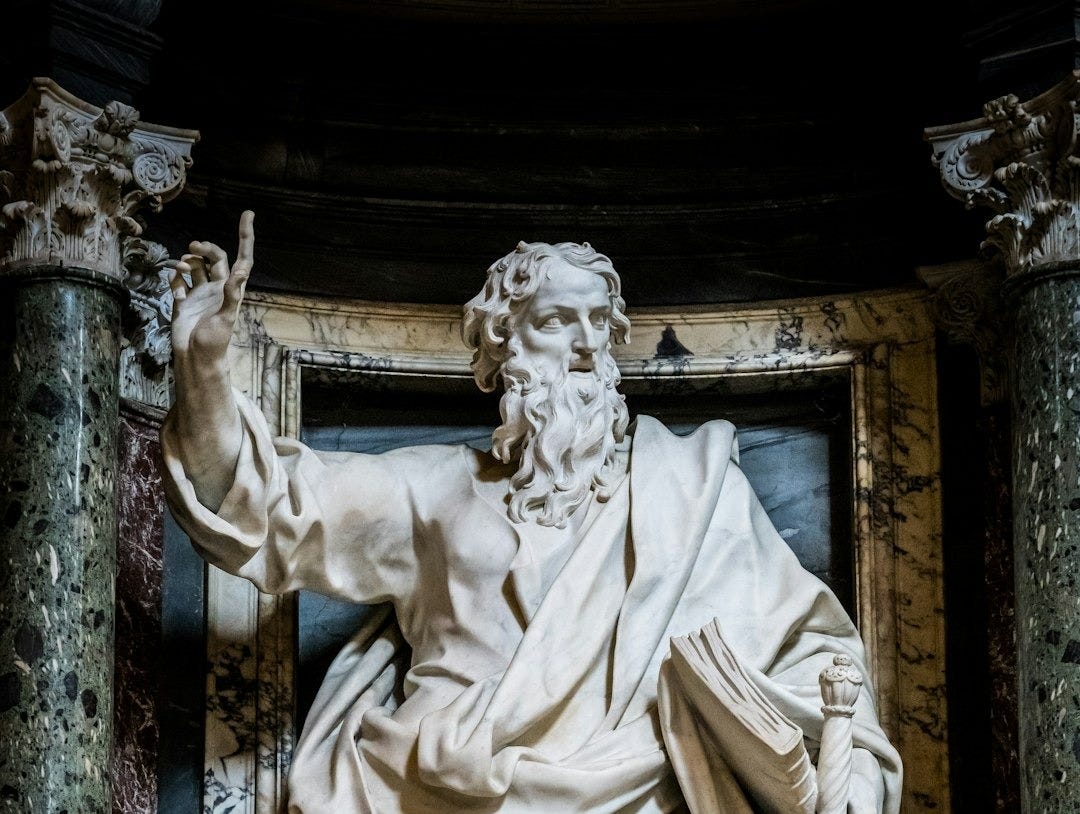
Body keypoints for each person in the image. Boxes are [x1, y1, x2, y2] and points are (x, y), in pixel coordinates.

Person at [162, 211, 902, 813]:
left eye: (597, 324)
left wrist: (852, 776)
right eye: (555, 321)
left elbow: (810, 652)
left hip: (641, 782)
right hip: (444, 782)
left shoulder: (691, 488)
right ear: (504, 345)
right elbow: (263, 507)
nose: (582, 347)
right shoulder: (437, 490)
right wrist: (203, 370)